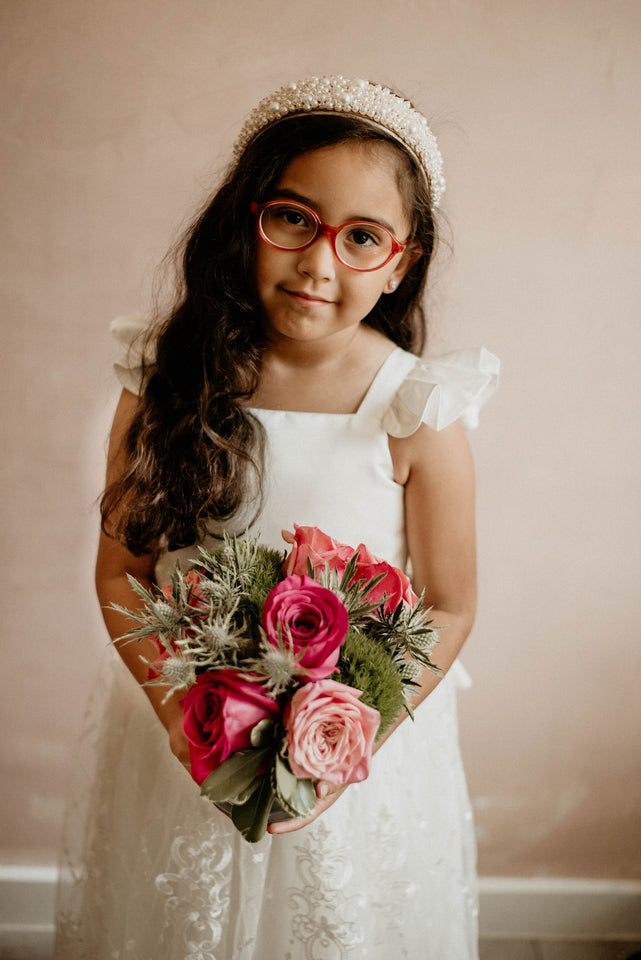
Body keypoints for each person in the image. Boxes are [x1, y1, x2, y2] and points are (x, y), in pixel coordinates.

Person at [54, 76, 499, 959]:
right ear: (244, 218)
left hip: (355, 745)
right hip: (182, 720)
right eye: (292, 218)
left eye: (361, 238)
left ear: (400, 261)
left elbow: (448, 604)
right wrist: (183, 715)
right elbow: (124, 573)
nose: (318, 263)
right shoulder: (167, 380)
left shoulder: (413, 405)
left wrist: (345, 741)